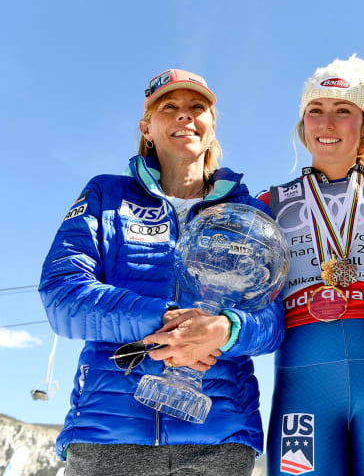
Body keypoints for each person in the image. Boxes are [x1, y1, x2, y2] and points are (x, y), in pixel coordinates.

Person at [39, 69, 284, 476]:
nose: (184, 117)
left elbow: (273, 320)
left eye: (196, 107)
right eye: (169, 107)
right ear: (146, 127)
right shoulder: (105, 195)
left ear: (211, 124)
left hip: (218, 441)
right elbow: (62, 295)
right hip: (107, 439)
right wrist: (168, 321)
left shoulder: (248, 215)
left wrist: (225, 328)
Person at [260, 55, 364, 475]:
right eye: (315, 111)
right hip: (305, 384)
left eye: (343, 111)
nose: (327, 123)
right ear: (302, 124)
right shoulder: (267, 205)